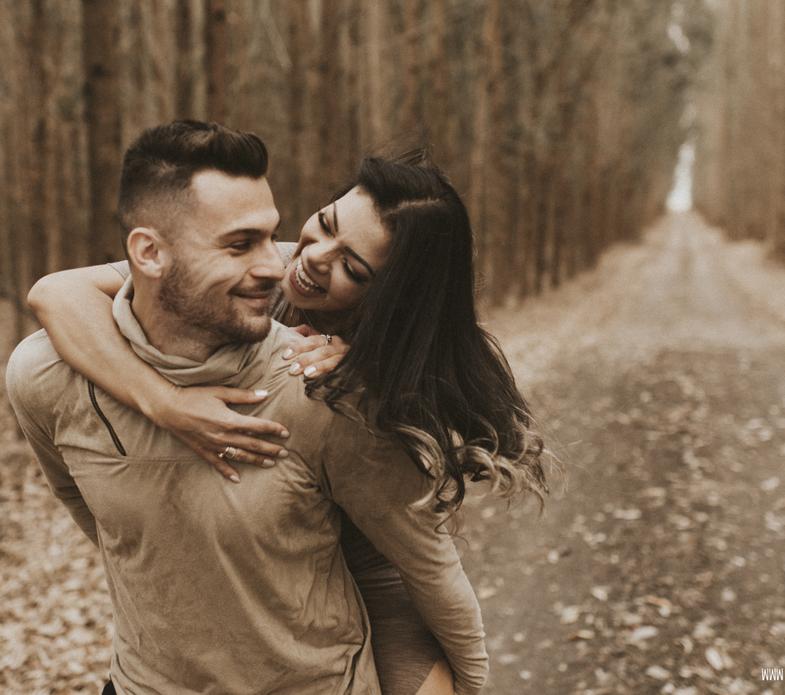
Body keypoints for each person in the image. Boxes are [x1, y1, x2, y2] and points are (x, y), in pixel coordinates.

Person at [29, 144, 550, 695]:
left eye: (352, 267)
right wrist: (165, 401)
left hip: (369, 568)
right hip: (271, 561)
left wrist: (370, 375)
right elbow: (56, 293)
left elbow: (429, 557)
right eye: (325, 224)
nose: (314, 257)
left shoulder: (403, 363)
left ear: (393, 299)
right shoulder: (262, 269)